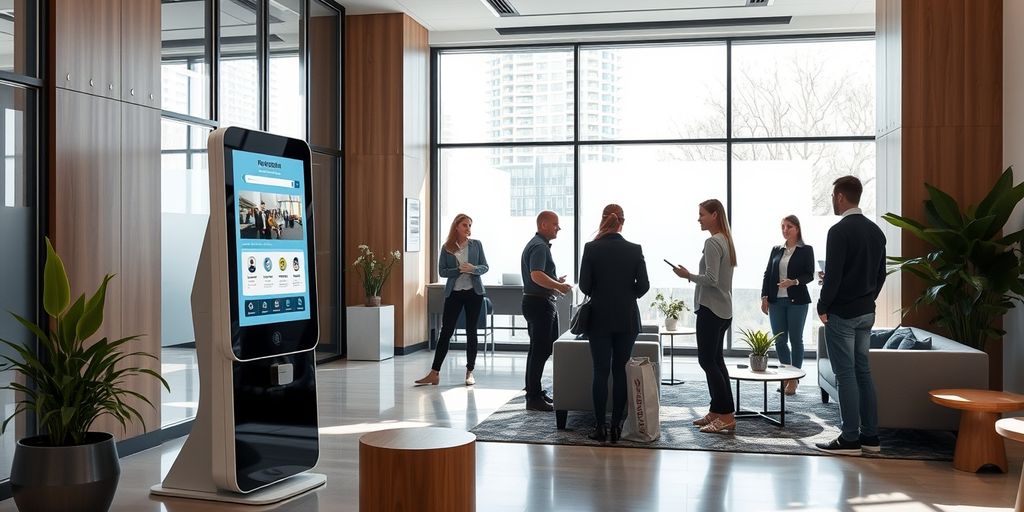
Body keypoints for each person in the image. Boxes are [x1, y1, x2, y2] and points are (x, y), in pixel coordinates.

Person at [815, 176, 887, 456]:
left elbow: (833, 279)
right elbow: (880, 274)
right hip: (866, 312)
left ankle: (849, 439)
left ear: (841, 197)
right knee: (863, 373)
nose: (832, 200)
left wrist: (822, 305)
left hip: (842, 314)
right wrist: (867, 299)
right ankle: (870, 437)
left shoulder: (839, 231)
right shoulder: (876, 232)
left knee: (845, 375)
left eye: (833, 195)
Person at [578, 204, 649, 443]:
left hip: (599, 317)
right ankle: (617, 427)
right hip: (627, 317)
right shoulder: (635, 249)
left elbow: (584, 286)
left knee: (600, 371)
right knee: (620, 371)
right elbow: (644, 286)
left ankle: (599, 428)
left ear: (602, 220)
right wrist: (627, 296)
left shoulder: (591, 248)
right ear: (623, 222)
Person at [671, 199, 737, 434]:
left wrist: (687, 275)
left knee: (707, 361)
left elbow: (711, 279)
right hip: (723, 310)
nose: (698, 218)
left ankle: (727, 415)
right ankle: (718, 411)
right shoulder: (726, 241)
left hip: (711, 309)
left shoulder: (712, 242)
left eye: (701, 214)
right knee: (716, 361)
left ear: (715, 215)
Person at [415, 214, 489, 387]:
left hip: (474, 293)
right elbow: (442, 271)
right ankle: (434, 373)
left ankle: (470, 372)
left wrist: (473, 269)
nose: (468, 228)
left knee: (472, 332)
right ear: (456, 226)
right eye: (465, 225)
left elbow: (485, 266)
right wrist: (458, 270)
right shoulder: (446, 247)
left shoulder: (476, 245)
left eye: (470, 225)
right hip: (454, 293)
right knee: (446, 332)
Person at [521, 210, 572, 412]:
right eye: (555, 224)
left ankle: (534, 391)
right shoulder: (540, 247)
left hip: (536, 302)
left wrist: (554, 282)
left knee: (538, 350)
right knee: (540, 350)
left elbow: (541, 276)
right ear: (543, 225)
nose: (558, 228)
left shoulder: (537, 245)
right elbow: (536, 276)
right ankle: (533, 397)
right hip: (539, 304)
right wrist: (559, 287)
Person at [760, 215, 815, 395]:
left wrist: (794, 282)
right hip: (776, 301)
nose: (785, 230)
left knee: (796, 340)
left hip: (797, 301)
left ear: (797, 228)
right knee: (780, 340)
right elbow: (767, 274)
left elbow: (809, 275)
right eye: (782, 226)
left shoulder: (806, 250)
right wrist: (764, 297)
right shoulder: (776, 250)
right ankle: (786, 377)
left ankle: (793, 379)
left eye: (789, 226)